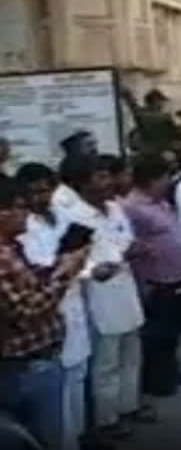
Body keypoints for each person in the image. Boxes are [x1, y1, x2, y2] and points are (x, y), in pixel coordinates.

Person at [0, 176, 89, 450]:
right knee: (44, 440)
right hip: (24, 366)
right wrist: (65, 277)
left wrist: (58, 268)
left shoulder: (11, 249)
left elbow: (30, 285)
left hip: (39, 360)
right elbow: (26, 309)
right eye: (20, 208)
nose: (26, 214)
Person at [65, 156, 146, 439]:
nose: (108, 181)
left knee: (131, 353)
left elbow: (125, 238)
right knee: (106, 362)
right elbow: (69, 259)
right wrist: (92, 271)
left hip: (125, 284)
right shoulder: (74, 215)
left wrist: (131, 250)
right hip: (98, 292)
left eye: (107, 176)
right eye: (99, 177)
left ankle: (129, 406)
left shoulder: (114, 207)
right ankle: (107, 419)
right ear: (82, 183)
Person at [122, 154, 181, 398]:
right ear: (151, 180)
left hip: (176, 276)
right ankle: (157, 380)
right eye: (165, 177)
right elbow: (128, 243)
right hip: (155, 278)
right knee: (158, 333)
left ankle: (171, 370)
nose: (169, 182)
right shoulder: (132, 207)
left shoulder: (161, 203)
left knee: (172, 331)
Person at [53, 131, 99, 216]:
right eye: (89, 145)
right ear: (77, 147)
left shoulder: (96, 162)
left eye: (95, 144)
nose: (94, 148)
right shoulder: (70, 166)